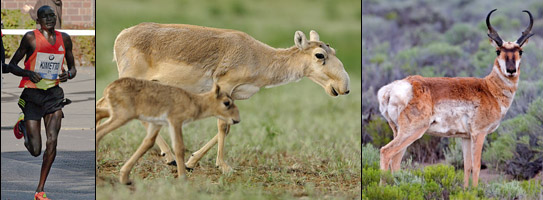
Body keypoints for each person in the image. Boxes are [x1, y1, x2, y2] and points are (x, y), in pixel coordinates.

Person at [8, 5, 76, 200]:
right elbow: (12, 65)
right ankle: (22, 124)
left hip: (54, 96)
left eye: (52, 15)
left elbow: (73, 68)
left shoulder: (65, 39)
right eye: (44, 16)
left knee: (52, 142)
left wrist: (67, 75)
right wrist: (28, 73)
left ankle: (40, 190)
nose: (49, 19)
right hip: (33, 96)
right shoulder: (30, 38)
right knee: (35, 150)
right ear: (38, 20)